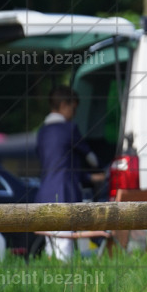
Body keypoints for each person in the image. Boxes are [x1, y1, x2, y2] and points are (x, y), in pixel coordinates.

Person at [34, 85, 100, 259]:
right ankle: (64, 283)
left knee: (51, 245)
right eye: (74, 108)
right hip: (63, 192)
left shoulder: (41, 133)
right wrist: (98, 168)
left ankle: (53, 280)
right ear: (64, 105)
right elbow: (91, 158)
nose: (75, 114)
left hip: (44, 194)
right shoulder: (69, 129)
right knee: (65, 244)